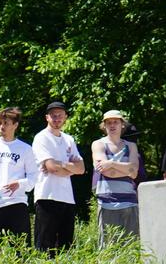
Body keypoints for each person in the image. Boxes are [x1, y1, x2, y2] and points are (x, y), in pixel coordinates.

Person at [0, 107, 38, 254]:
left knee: (21, 250)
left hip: (16, 203)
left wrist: (19, 184)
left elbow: (33, 177)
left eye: (6, 123)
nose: (2, 126)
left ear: (15, 125)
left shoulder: (25, 149)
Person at [31, 101, 83, 253]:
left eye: (60, 115)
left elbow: (81, 168)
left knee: (65, 247)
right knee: (45, 247)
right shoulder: (41, 138)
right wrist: (69, 167)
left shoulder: (69, 139)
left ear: (66, 117)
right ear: (47, 117)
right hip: (47, 196)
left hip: (67, 198)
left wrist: (63, 166)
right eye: (53, 115)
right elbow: (51, 167)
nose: (57, 118)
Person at [91, 110, 141, 244]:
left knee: (131, 248)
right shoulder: (98, 144)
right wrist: (126, 168)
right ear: (104, 126)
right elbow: (106, 172)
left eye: (116, 122)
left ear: (122, 125)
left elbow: (134, 172)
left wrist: (111, 163)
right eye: (109, 122)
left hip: (130, 202)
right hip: (107, 203)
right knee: (108, 249)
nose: (112, 125)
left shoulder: (131, 146)